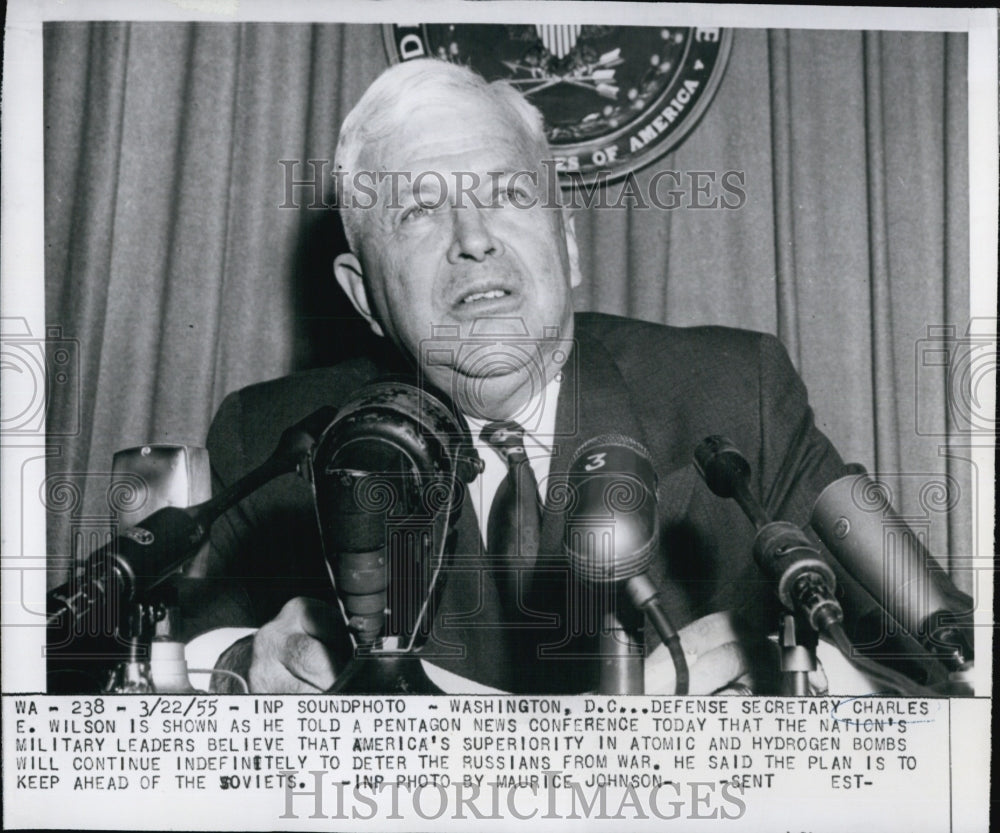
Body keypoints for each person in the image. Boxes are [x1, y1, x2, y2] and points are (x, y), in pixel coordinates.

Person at [202, 58, 880, 695]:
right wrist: (239, 662)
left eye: (507, 193)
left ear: (570, 241)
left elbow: (942, 648)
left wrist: (793, 673)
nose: (473, 238)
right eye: (417, 211)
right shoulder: (271, 441)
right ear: (363, 297)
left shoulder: (742, 392)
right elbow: (146, 652)